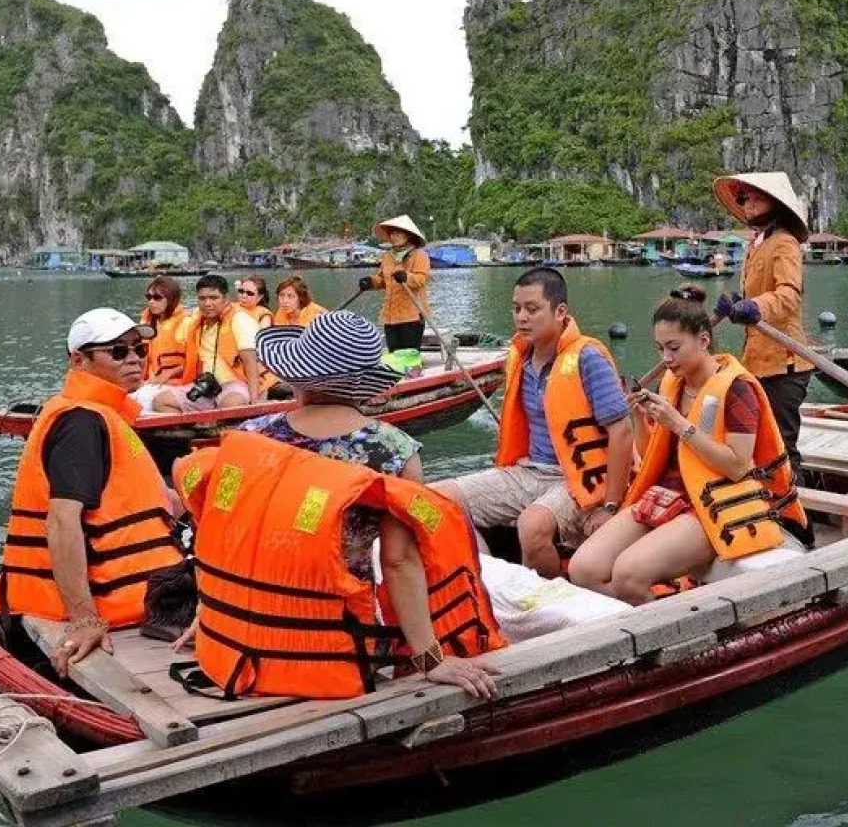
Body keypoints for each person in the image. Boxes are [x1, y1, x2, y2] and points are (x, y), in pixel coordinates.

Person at [171, 310, 502, 699]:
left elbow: (223, 537)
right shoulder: (392, 450)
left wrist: (210, 616)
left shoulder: (252, 436)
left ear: (297, 376)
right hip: (331, 652)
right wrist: (432, 660)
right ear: (366, 385)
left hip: (234, 647)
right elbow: (399, 561)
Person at [569, 286, 810, 603]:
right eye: (660, 349)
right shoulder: (673, 383)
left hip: (712, 502)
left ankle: (668, 623)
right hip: (665, 494)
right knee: (582, 569)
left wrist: (679, 425)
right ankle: (654, 610)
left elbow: (738, 466)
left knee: (628, 575)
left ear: (704, 340)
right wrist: (640, 416)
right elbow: (654, 454)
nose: (666, 359)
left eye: (674, 348)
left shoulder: (736, 388)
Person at [0, 308, 184, 675]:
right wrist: (84, 620)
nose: (134, 359)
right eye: (118, 352)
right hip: (108, 605)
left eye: (139, 349)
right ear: (79, 360)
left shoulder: (103, 414)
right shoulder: (81, 421)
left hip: (145, 591)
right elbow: (61, 522)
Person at [434, 267, 632, 577]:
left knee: (532, 525)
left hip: (580, 478)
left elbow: (622, 432)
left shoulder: (587, 358)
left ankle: (547, 596)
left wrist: (610, 506)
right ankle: (491, 582)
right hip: (531, 470)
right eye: (516, 309)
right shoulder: (520, 357)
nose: (521, 318)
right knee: (438, 499)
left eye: (532, 309)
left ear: (560, 312)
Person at [710, 172, 812, 483]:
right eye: (745, 199)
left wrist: (755, 307)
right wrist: (737, 302)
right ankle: (765, 494)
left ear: (775, 204)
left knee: (781, 445)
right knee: (758, 441)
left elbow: (788, 296)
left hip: (785, 362)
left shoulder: (784, 243)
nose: (749, 204)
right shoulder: (756, 244)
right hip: (756, 360)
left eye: (757, 198)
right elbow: (759, 291)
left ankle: (794, 502)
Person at [152, 273, 264, 411]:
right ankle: (199, 424)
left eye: (213, 298)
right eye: (202, 298)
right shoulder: (195, 320)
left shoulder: (239, 319)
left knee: (232, 404)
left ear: (226, 299)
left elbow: (250, 363)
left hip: (234, 385)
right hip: (204, 385)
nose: (207, 304)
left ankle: (210, 421)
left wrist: (255, 402)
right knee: (161, 401)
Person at [361, 215, 432, 351]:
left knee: (409, 354)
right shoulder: (388, 256)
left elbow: (421, 279)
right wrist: (370, 282)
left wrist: (406, 277)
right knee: (393, 353)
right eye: (392, 233)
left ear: (408, 235)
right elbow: (382, 280)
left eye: (398, 233)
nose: (394, 236)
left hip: (412, 315)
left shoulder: (419, 255)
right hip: (390, 316)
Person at [139, 275, 192, 386]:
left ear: (172, 299)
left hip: (177, 383)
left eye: (157, 298)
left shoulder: (186, 323)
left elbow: (194, 361)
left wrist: (168, 374)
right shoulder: (146, 323)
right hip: (149, 382)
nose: (151, 302)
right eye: (149, 297)